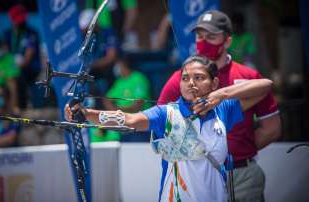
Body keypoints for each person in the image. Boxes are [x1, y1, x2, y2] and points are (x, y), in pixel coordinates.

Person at [65, 55, 273, 202]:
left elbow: (265, 85)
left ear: (214, 82)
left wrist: (221, 96)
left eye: (199, 78)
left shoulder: (223, 110)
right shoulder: (167, 114)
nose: (191, 83)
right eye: (185, 78)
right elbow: (129, 119)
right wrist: (87, 114)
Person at [157, 10, 281, 201]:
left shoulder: (248, 76)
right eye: (200, 36)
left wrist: (239, 151)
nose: (204, 41)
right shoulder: (179, 78)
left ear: (228, 41)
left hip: (242, 175)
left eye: (211, 36)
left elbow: (271, 128)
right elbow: (161, 124)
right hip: (198, 176)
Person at [89, 54, 151, 142]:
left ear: (123, 64)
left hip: (139, 126)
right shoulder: (119, 82)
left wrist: (120, 111)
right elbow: (107, 99)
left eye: (117, 64)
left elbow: (138, 105)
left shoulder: (138, 78)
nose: (116, 68)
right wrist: (115, 113)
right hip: (123, 126)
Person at [4, 4, 42, 109]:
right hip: (12, 66)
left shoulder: (31, 33)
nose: (19, 23)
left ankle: (19, 106)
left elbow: (28, 56)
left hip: (30, 68)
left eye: (21, 20)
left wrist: (16, 67)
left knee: (16, 76)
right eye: (17, 20)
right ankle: (10, 106)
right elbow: (6, 53)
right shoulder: (7, 34)